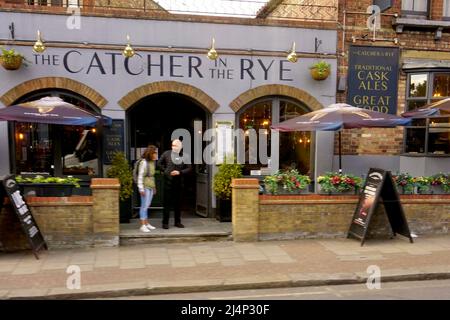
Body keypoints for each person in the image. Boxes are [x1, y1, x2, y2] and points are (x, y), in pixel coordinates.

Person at [157, 139, 192, 229]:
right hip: (168, 182)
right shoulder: (166, 153)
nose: (173, 147)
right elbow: (158, 163)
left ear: (180, 147)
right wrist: (166, 171)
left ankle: (177, 222)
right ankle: (165, 223)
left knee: (178, 203)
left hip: (179, 182)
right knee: (167, 203)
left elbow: (189, 168)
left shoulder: (185, 156)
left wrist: (179, 172)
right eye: (172, 145)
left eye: (175, 145)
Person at [137, 145, 158, 233]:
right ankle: (142, 225)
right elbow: (140, 176)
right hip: (145, 186)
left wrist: (154, 187)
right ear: (151, 154)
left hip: (150, 186)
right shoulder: (144, 162)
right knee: (144, 206)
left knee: (147, 205)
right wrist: (141, 189)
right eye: (155, 153)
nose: (156, 155)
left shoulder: (152, 162)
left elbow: (152, 176)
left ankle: (146, 223)